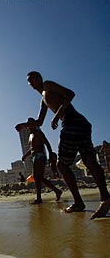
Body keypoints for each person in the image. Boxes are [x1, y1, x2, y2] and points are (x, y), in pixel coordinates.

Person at [15, 72, 110, 218]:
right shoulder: (43, 100)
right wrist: (24, 125)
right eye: (29, 81)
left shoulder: (47, 85)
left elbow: (70, 94)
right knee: (88, 159)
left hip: (72, 121)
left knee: (62, 165)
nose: (32, 83)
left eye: (33, 79)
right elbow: (39, 122)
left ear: (39, 78)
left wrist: (57, 115)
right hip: (80, 123)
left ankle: (79, 202)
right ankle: (106, 198)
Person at [21, 119, 62, 204]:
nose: (29, 127)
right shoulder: (31, 135)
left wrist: (51, 155)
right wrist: (25, 155)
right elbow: (32, 148)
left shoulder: (39, 133)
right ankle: (56, 191)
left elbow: (47, 144)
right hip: (35, 157)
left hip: (40, 156)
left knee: (37, 177)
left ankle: (39, 198)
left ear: (35, 125)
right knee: (38, 177)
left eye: (31, 124)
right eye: (28, 125)